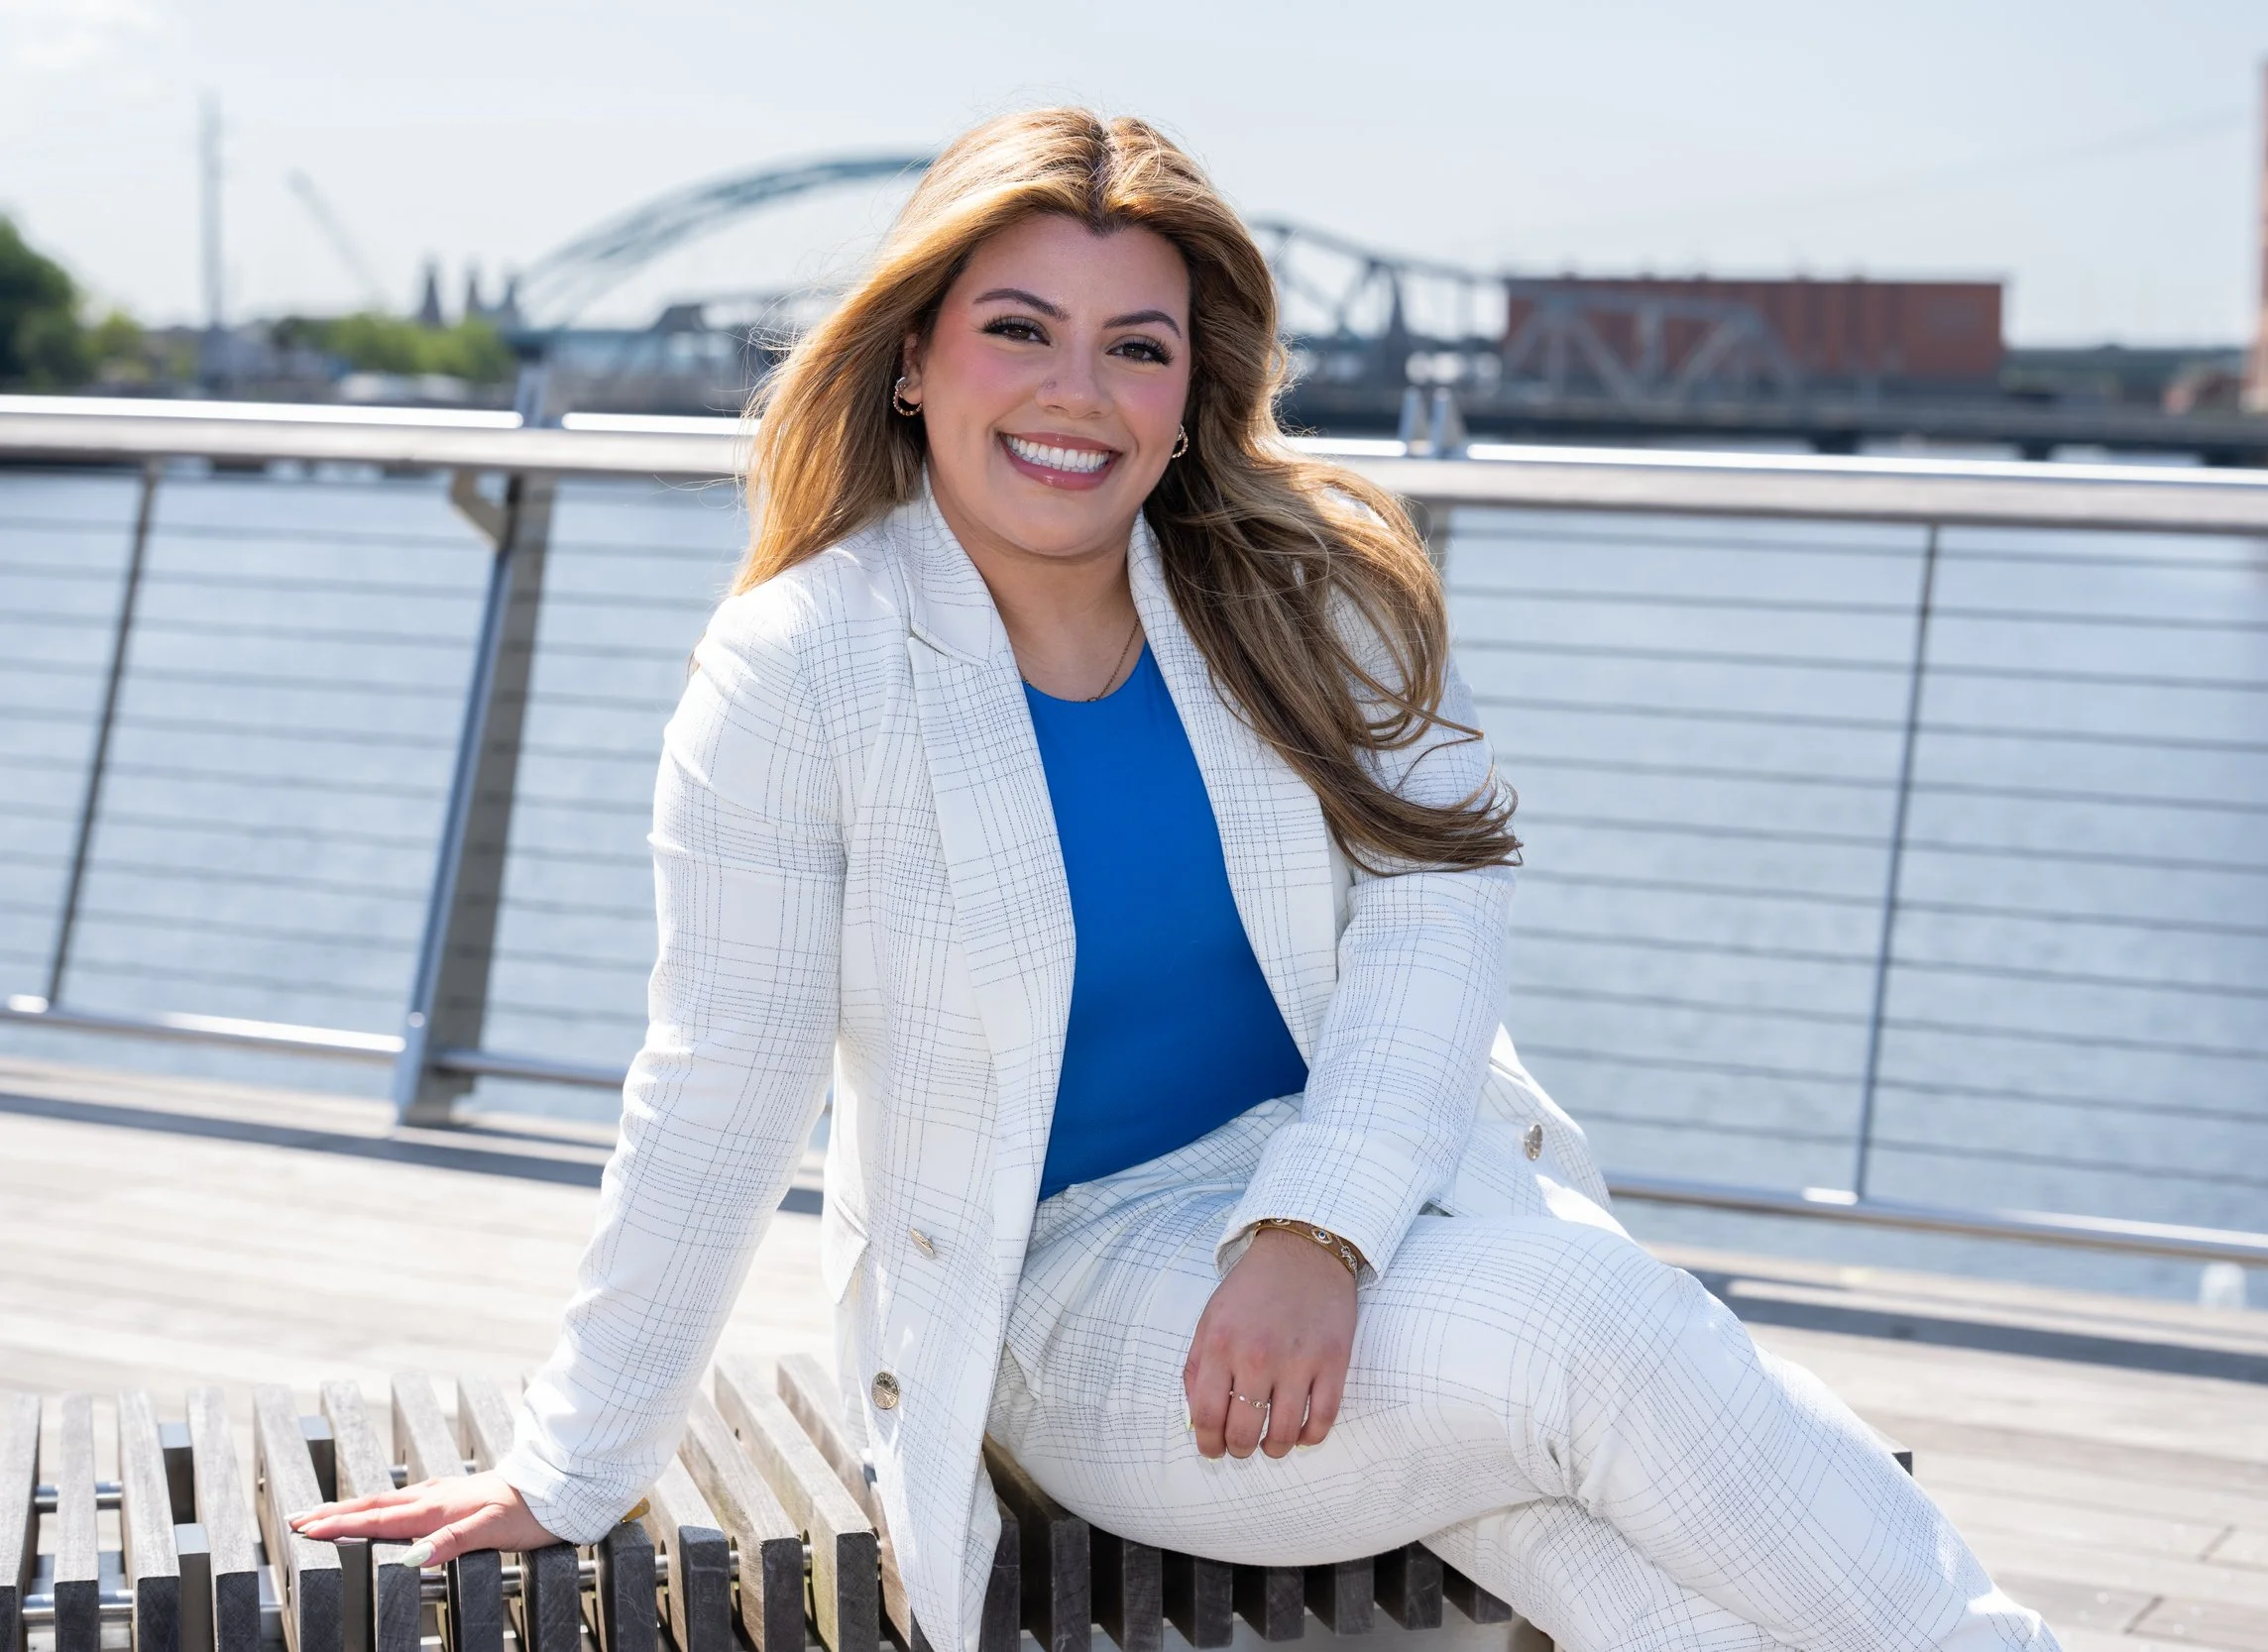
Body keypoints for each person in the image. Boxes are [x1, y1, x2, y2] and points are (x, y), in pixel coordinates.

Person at [291, 109, 2055, 1652]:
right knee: (1600, 1335)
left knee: (1658, 1580)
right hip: (1066, 1292)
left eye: (1137, 347)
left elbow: (1439, 904)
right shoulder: (800, 667)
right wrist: (574, 1459)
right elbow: (721, 1077)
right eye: (1018, 330)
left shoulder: (1302, 586)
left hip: (1394, 1210)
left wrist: (1318, 1220)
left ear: (1193, 385)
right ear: (913, 356)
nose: (1078, 392)